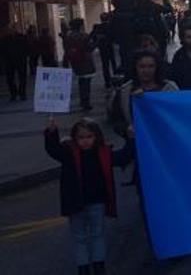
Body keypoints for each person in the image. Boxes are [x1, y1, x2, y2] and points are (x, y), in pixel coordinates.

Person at [44, 117, 134, 275]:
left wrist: (131, 138)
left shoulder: (104, 153)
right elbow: (53, 149)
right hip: (76, 203)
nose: (85, 141)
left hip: (95, 202)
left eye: (89, 137)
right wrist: (52, 132)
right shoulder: (69, 153)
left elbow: (124, 157)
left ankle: (98, 266)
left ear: (96, 137)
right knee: (81, 237)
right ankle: (84, 268)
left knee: (96, 235)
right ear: (74, 138)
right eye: (81, 138)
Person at [63, 19, 97, 111]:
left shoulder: (68, 37)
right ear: (80, 26)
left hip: (75, 62)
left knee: (81, 81)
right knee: (86, 82)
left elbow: (66, 50)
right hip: (85, 61)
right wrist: (95, 42)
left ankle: (83, 100)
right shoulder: (84, 36)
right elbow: (90, 48)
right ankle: (86, 102)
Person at [1, 27, 28, 102]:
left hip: (20, 60)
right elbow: (2, 50)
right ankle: (14, 93)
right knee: (10, 79)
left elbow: (26, 47)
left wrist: (25, 56)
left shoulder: (21, 38)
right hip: (10, 61)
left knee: (22, 78)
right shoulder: (5, 39)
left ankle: (22, 93)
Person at [90, 13, 117, 89]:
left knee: (105, 65)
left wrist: (97, 42)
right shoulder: (111, 26)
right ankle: (116, 80)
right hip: (109, 47)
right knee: (113, 64)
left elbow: (92, 36)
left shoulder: (97, 27)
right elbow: (114, 37)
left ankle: (107, 82)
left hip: (102, 48)